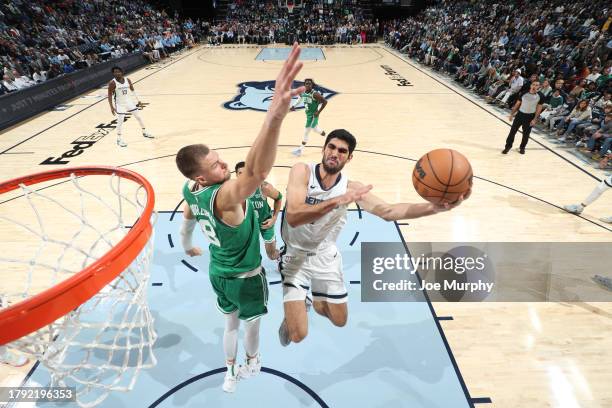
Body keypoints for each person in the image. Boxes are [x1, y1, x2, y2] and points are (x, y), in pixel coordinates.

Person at [175, 44, 304, 393]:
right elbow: (258, 172)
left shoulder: (191, 190)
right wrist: (274, 118)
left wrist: (187, 246)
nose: (222, 164)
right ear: (203, 177)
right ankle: (253, 360)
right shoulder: (225, 197)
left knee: (228, 325)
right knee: (251, 326)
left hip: (218, 273)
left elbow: (187, 218)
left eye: (219, 159)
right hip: (246, 276)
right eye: (215, 165)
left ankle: (228, 372)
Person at [278, 129, 469, 347]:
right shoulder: (302, 171)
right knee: (297, 335)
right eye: (331, 147)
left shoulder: (352, 188)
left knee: (339, 320)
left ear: (349, 158)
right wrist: (337, 200)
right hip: (296, 258)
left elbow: (388, 211)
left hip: (326, 256)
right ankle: (299, 305)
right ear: (323, 149)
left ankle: (310, 300)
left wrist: (434, 208)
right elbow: (293, 216)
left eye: (342, 151)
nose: (335, 153)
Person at [235, 161, 282, 260]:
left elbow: (279, 198)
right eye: (240, 173)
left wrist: (274, 218)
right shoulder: (233, 190)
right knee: (249, 256)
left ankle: (282, 254)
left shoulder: (263, 187)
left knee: (272, 256)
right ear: (236, 175)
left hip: (265, 223)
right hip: (247, 226)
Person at [107, 66, 153, 147]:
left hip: (129, 102)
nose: (117, 73)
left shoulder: (127, 80)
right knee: (120, 121)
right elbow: (109, 95)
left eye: (118, 71)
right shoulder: (112, 83)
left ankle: (145, 131)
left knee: (138, 117)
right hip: (120, 104)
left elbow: (132, 90)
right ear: (113, 73)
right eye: (115, 72)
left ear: (122, 72)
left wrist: (138, 100)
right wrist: (111, 107)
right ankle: (119, 139)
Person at [502, 81, 544, 155]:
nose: (534, 86)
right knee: (512, 132)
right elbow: (517, 104)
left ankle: (522, 148)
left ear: (539, 87)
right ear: (531, 85)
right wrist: (511, 114)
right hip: (520, 115)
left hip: (530, 116)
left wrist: (535, 119)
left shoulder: (541, 96)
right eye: (533, 84)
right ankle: (507, 147)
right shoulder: (524, 93)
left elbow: (539, 108)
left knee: (526, 134)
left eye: (537, 85)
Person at [290, 78, 328, 157]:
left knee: (306, 131)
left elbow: (325, 101)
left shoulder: (315, 94)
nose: (308, 85)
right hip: (308, 115)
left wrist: (318, 112)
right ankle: (327, 137)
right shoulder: (303, 92)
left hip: (314, 115)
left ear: (312, 85)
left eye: (309, 84)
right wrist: (294, 105)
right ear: (304, 85)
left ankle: (300, 149)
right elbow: (300, 98)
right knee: (315, 129)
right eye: (306, 83)